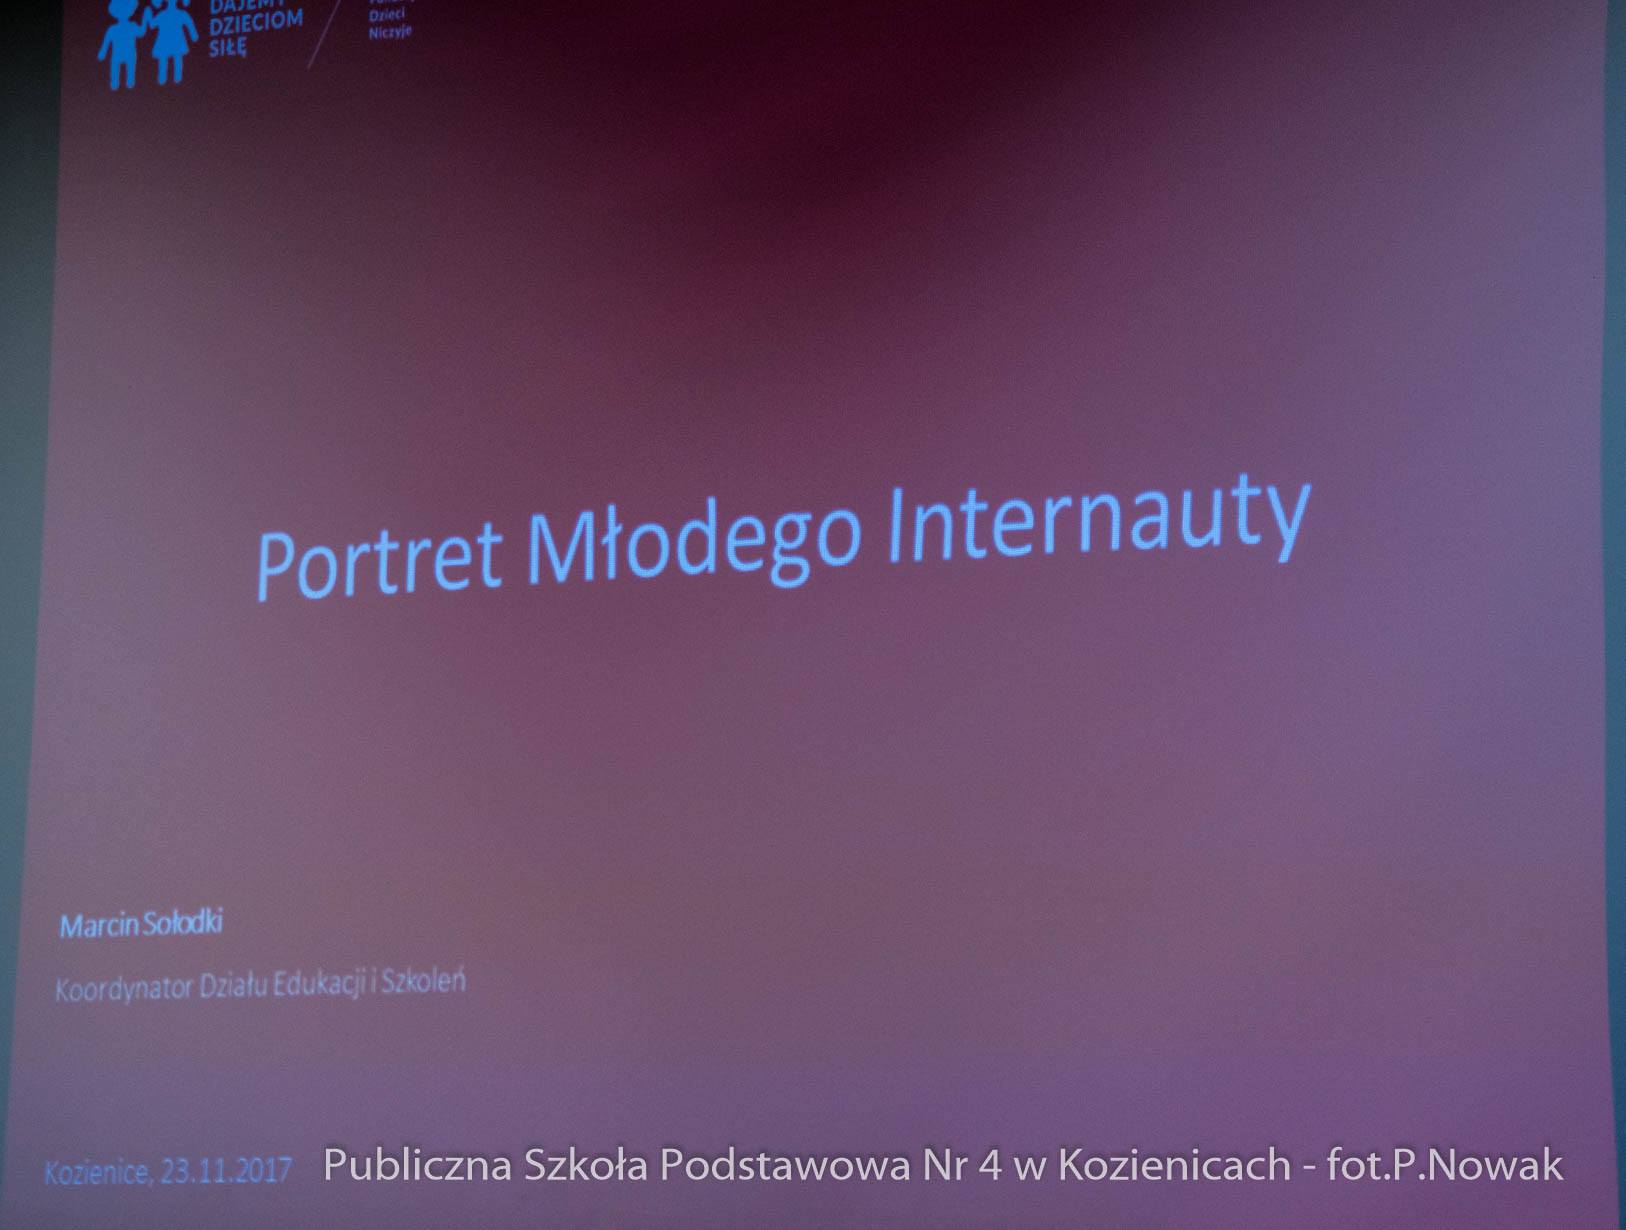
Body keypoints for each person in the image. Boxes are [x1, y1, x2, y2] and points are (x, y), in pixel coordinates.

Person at [97, 0, 146, 91]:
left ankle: (127, 82)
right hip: (121, 53)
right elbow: (106, 42)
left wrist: (145, 19)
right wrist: (103, 52)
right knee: (116, 69)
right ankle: (117, 82)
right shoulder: (114, 28)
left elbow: (141, 32)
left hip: (127, 53)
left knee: (128, 70)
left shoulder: (130, 26)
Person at [146, 0, 197, 86]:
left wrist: (194, 35)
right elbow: (152, 24)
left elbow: (190, 25)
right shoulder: (164, 14)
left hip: (174, 40)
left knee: (175, 58)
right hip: (166, 41)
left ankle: (176, 79)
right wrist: (148, 15)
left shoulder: (179, 14)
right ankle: (163, 79)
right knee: (165, 59)